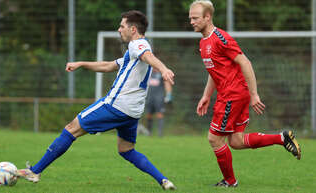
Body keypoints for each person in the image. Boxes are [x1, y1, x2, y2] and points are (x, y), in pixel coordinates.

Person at [16, 10, 176, 190]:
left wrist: (163, 69)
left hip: (116, 105)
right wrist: (81, 64)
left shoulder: (137, 45)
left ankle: (35, 171)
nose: (118, 29)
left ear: (132, 29)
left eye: (122, 26)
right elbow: (108, 66)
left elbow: (149, 56)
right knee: (126, 150)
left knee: (71, 129)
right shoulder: (133, 53)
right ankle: (164, 180)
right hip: (132, 112)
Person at [189, 0, 301, 187]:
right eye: (190, 18)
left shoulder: (220, 38)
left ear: (207, 17)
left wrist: (254, 94)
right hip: (233, 94)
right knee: (236, 141)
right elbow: (214, 72)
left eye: (195, 18)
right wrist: (206, 96)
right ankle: (282, 138)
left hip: (232, 95)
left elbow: (245, 62)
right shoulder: (203, 42)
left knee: (214, 139)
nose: (191, 22)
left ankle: (230, 182)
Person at [145, 68, 173, 137]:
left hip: (159, 98)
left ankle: (160, 134)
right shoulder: (148, 74)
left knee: (160, 114)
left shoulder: (162, 74)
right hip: (149, 98)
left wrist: (168, 94)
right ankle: (149, 132)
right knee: (148, 115)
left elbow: (167, 83)